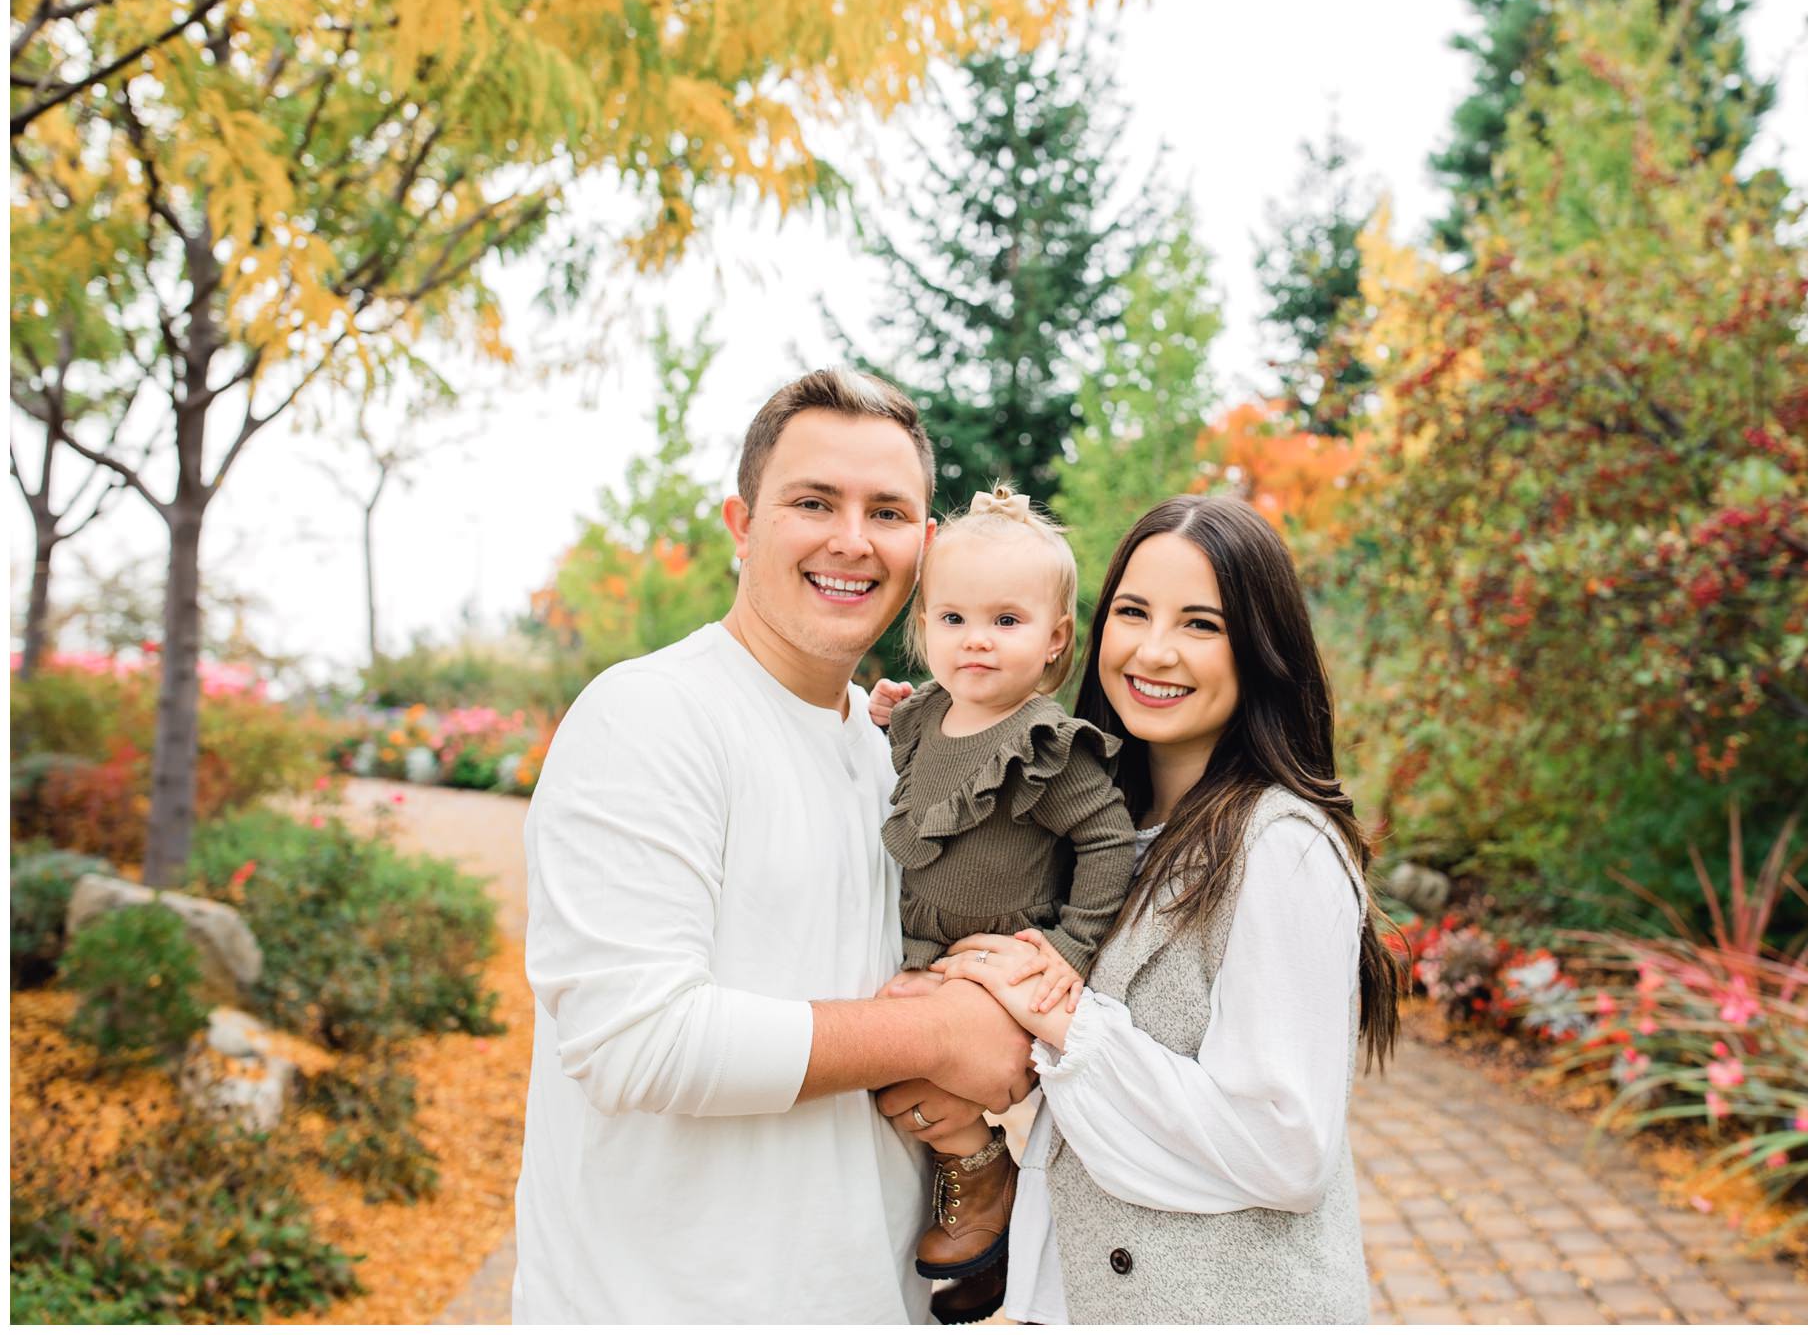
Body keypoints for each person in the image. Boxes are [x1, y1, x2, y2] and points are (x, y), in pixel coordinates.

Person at [512, 369, 1037, 1324]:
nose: (850, 538)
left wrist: (966, 1079)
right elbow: (637, 1040)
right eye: (812, 502)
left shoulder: (893, 760)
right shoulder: (650, 716)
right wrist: (939, 1033)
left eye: (886, 511)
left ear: (924, 548)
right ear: (742, 524)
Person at [880, 494, 1403, 1323]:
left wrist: (1066, 1022)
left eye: (1202, 624)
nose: (1154, 651)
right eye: (1133, 612)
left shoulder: (1281, 847)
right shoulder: (1111, 829)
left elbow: (1288, 1151)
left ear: (1261, 649)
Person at [864, 484, 1137, 1321]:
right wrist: (882, 716)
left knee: (917, 1084)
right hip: (921, 950)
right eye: (952, 621)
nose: (976, 640)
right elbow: (902, 774)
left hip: (995, 965)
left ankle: (983, 1177)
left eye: (1006, 622)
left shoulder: (1043, 745)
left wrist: (1073, 945)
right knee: (890, 1075)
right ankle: (990, 1215)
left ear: (1055, 640)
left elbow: (1108, 839)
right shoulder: (924, 719)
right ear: (924, 628)